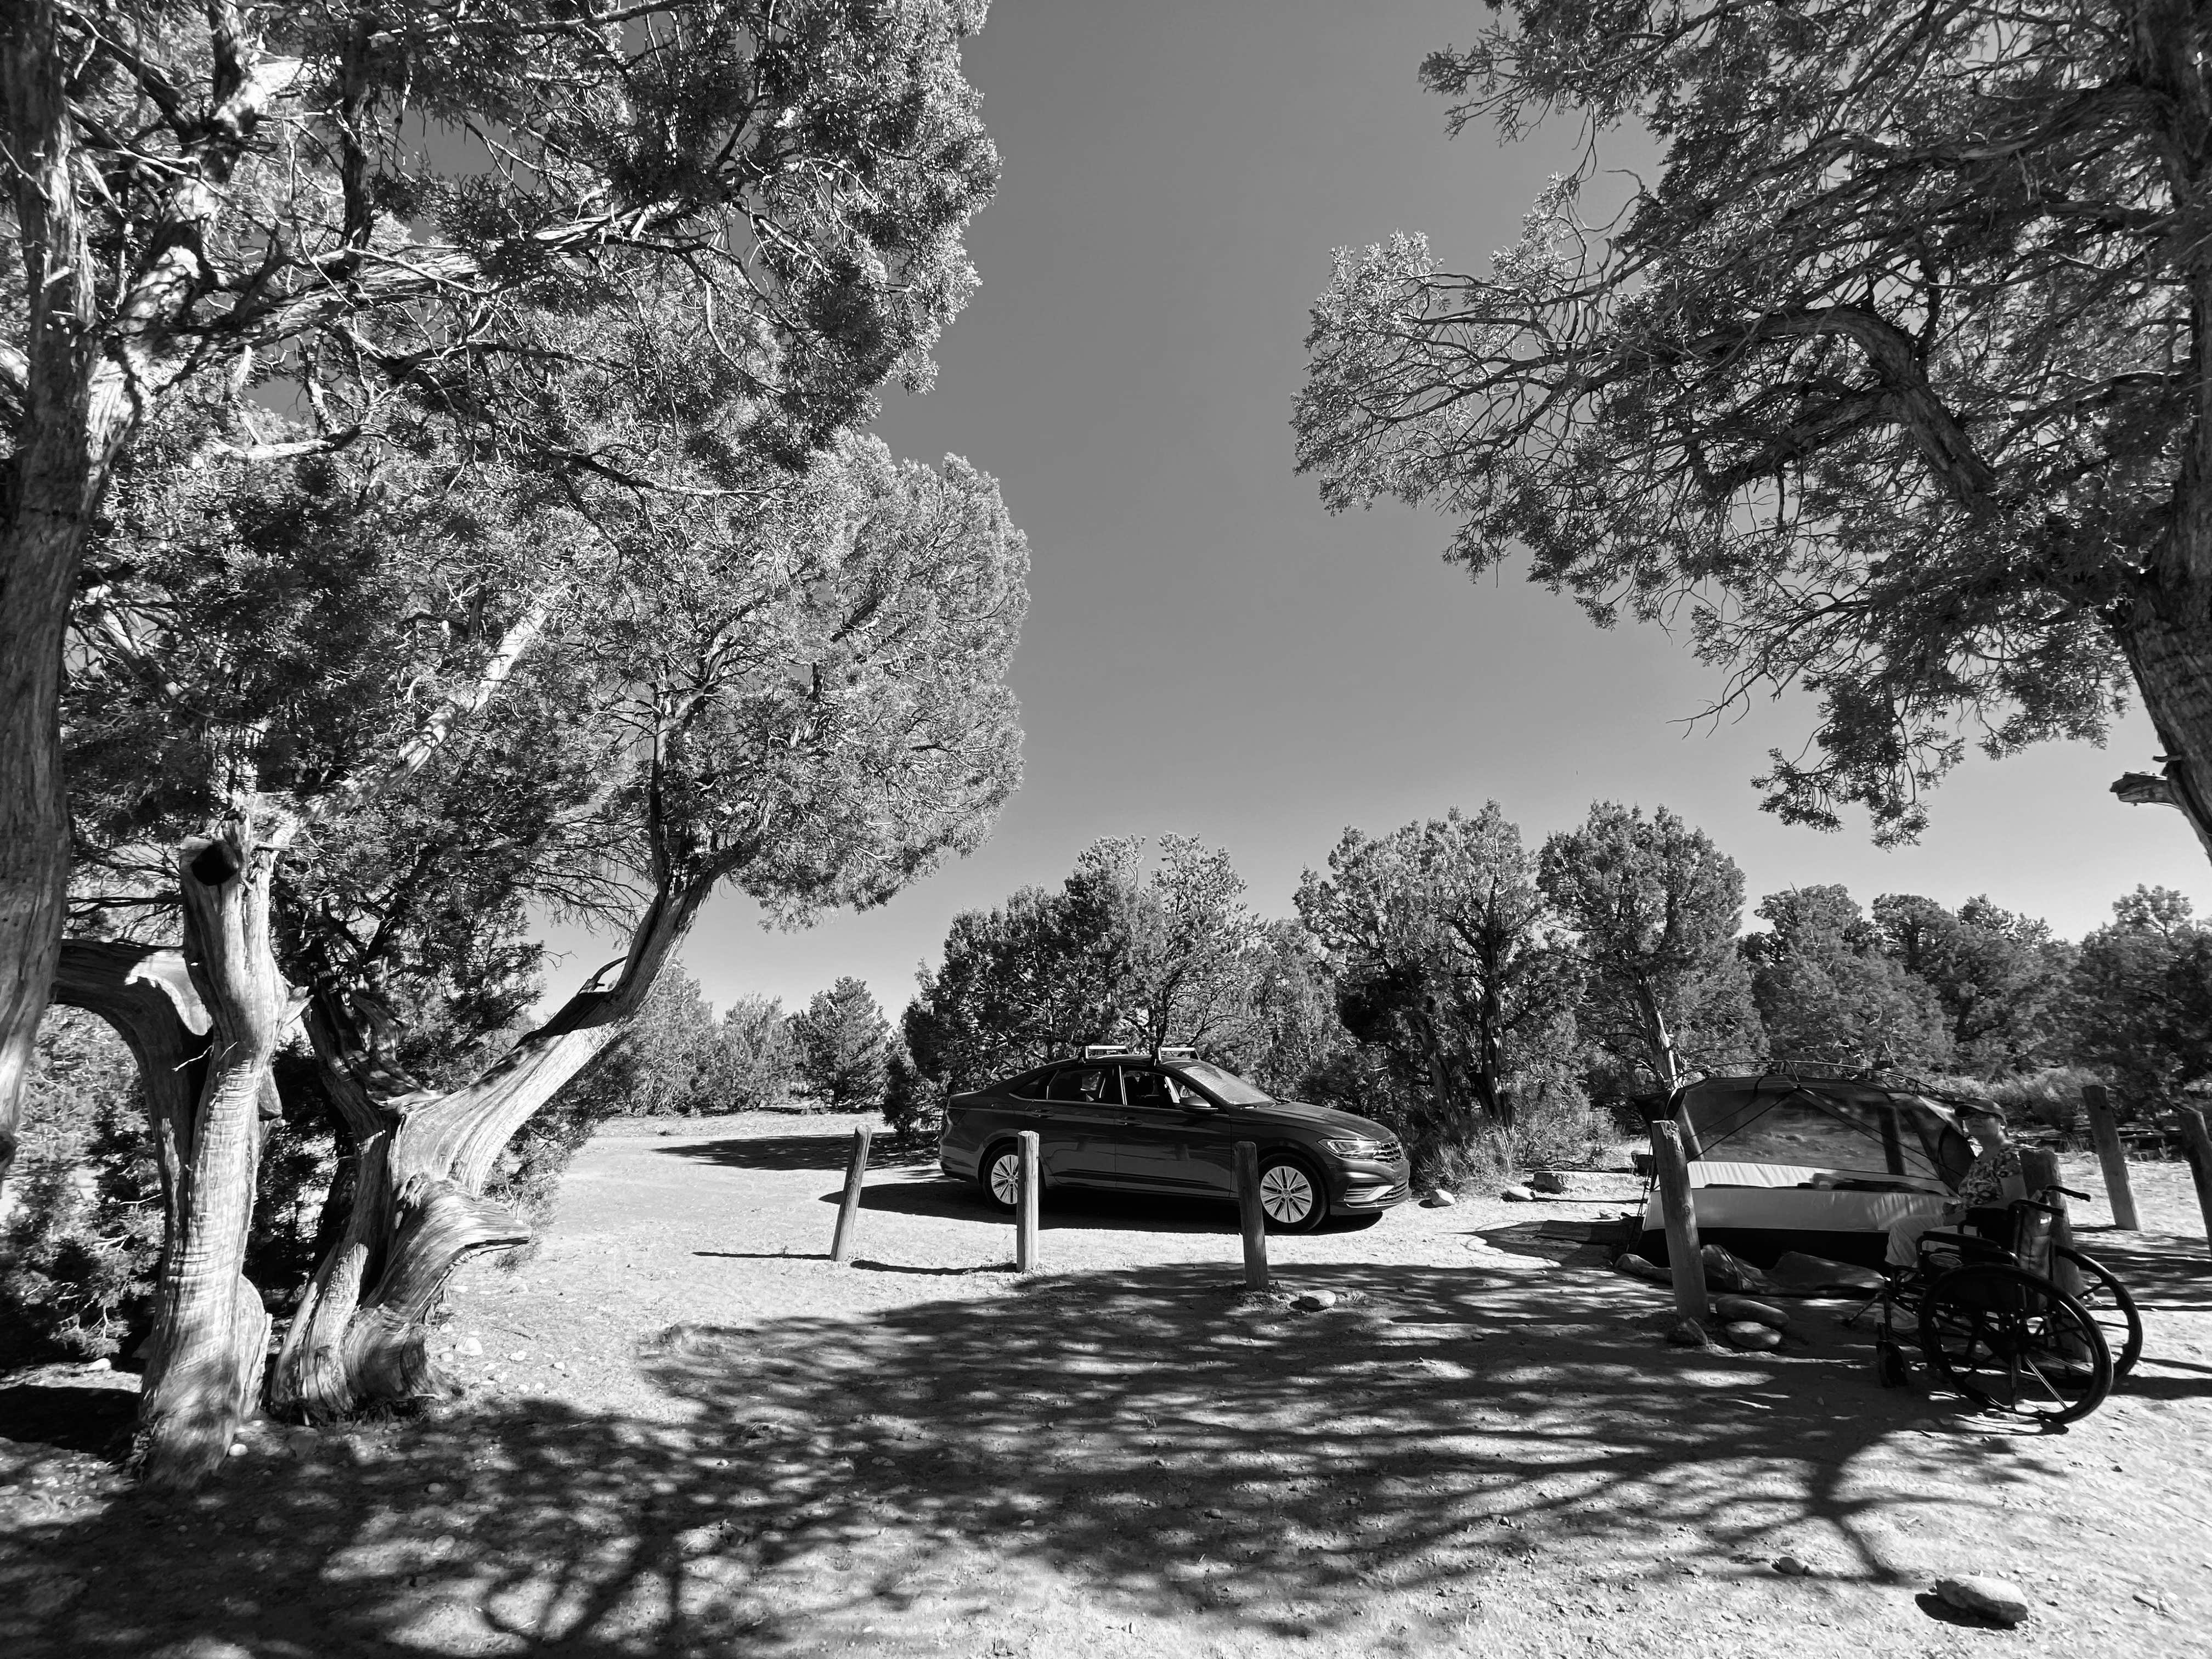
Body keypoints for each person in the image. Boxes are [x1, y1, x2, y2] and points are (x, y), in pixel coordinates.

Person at [1883, 1101, 2025, 1270]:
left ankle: (1919, 1282)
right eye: (1969, 1116)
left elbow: (2014, 1200)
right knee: (1904, 1228)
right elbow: (1981, 1195)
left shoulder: (2008, 1155)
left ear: (2002, 1123)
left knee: (1932, 1242)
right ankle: (1899, 1279)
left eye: (1983, 1116)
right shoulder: (1982, 1157)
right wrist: (1958, 1208)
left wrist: (1968, 1214)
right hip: (1965, 1217)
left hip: (1988, 1227)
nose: (1975, 1120)